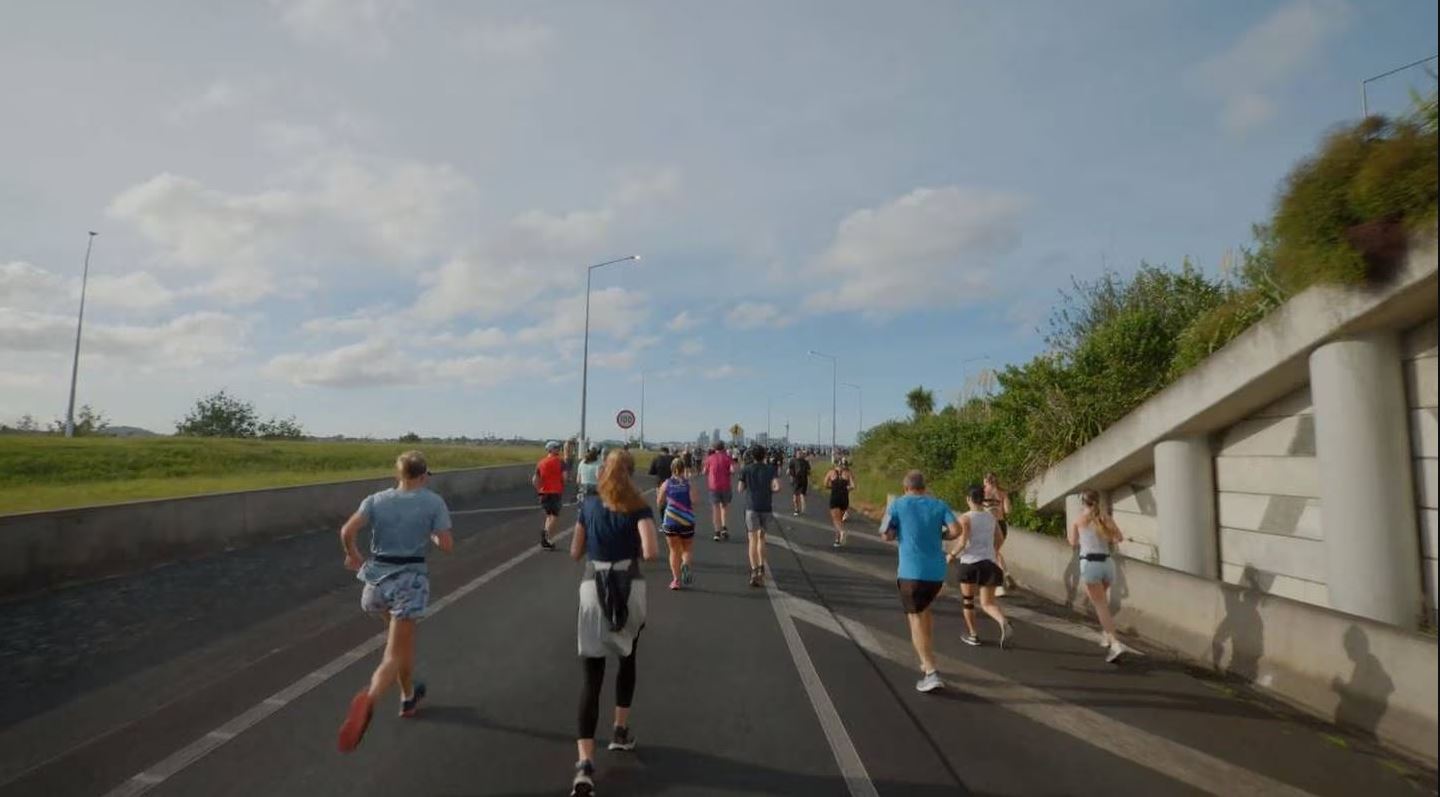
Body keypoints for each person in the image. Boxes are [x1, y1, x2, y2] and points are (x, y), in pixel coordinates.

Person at [336, 451, 454, 752]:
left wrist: (352, 554)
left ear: (398, 474)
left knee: (403, 645)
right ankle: (371, 698)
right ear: (424, 475)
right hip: (408, 582)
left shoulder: (375, 500)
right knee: (392, 654)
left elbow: (347, 530)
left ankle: (408, 696)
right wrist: (433, 535)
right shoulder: (433, 502)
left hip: (375, 586)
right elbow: (447, 545)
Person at [570, 449, 659, 796]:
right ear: (631, 474)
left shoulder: (588, 507)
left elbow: (576, 552)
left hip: (593, 587)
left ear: (602, 473)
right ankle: (620, 732)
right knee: (628, 658)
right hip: (629, 585)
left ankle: (584, 765)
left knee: (591, 677)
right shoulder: (638, 505)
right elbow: (651, 551)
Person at [880, 470, 960, 693]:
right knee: (924, 611)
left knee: (914, 619)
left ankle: (931, 672)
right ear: (924, 487)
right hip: (936, 574)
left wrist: (898, 531)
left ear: (905, 488)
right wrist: (939, 536)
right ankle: (927, 660)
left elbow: (885, 534)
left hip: (910, 573)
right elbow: (957, 530)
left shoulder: (897, 504)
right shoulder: (939, 505)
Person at [1069, 489, 1139, 663]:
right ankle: (1107, 634)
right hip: (1108, 565)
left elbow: (1072, 542)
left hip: (1090, 564)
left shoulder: (1078, 520)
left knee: (1100, 606)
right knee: (1100, 602)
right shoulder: (1104, 517)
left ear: (1082, 503)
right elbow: (1118, 538)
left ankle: (1115, 643)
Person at [948, 485, 1014, 648]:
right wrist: (993, 552)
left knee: (968, 602)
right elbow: (999, 538)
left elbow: (962, 542)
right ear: (982, 499)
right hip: (989, 564)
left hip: (970, 564)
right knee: (988, 603)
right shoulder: (991, 517)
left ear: (969, 499)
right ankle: (1002, 620)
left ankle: (973, 635)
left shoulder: (965, 518)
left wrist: (951, 555)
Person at [737, 444, 781, 588]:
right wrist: (769, 490)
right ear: (764, 456)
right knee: (762, 537)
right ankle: (762, 566)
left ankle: (754, 570)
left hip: (751, 507)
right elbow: (777, 487)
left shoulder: (746, 469)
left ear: (752, 456)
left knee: (752, 539)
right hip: (766, 507)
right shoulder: (770, 469)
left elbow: (740, 489)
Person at [657, 459, 698, 589]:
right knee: (687, 549)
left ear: (671, 469)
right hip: (687, 520)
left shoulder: (667, 483)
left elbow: (660, 502)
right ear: (683, 469)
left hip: (671, 520)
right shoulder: (688, 483)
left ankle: (676, 580)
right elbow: (694, 501)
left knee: (674, 551)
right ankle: (685, 564)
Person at [983, 472, 1014, 596]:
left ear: (985, 480)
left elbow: (977, 508)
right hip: (1001, 525)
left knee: (993, 553)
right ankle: (1006, 574)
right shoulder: (1002, 493)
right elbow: (1008, 510)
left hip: (989, 525)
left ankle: (999, 585)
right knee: (995, 552)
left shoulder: (983, 492)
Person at [534, 440, 568, 550]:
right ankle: (545, 534)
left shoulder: (541, 462)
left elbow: (535, 479)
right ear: (552, 449)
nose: (559, 449)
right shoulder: (560, 462)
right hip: (555, 492)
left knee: (549, 515)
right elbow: (565, 477)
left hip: (544, 492)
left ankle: (547, 540)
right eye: (557, 448)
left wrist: (539, 489)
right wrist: (564, 482)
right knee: (554, 515)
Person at [703, 442, 735, 541]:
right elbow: (733, 470)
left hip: (714, 487)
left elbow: (704, 472)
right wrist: (727, 473)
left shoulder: (710, 458)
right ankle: (724, 528)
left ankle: (717, 532)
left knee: (715, 509)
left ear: (714, 448)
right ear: (723, 448)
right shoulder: (728, 458)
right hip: (725, 486)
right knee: (724, 507)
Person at [823, 458, 856, 548]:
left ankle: (842, 532)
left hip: (835, 497)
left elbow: (825, 484)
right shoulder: (848, 473)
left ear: (836, 464)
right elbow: (853, 486)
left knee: (835, 519)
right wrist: (845, 488)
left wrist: (832, 487)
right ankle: (837, 540)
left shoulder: (831, 472)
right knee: (839, 519)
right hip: (844, 498)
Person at [787, 450, 812, 516]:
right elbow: (789, 469)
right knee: (795, 497)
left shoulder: (805, 462)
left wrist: (808, 474)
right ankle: (796, 509)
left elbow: (809, 471)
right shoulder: (793, 461)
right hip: (795, 481)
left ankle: (803, 509)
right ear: (796, 454)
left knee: (802, 495)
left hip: (803, 481)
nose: (799, 454)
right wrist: (790, 475)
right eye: (798, 453)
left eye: (800, 453)